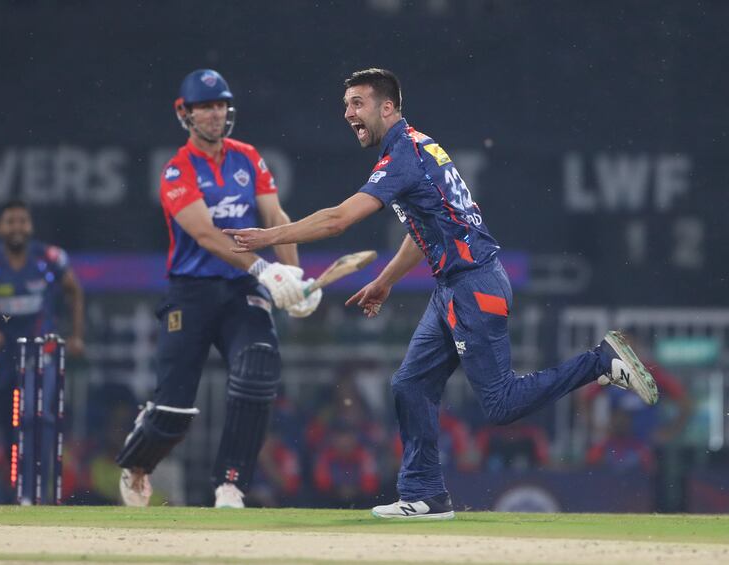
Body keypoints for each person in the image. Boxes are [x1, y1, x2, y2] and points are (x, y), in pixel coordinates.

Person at [225, 68, 659, 520]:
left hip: (473, 285)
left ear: (387, 107)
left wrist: (268, 236)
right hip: (456, 285)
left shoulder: (401, 158)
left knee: (501, 403)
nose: (348, 112)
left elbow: (338, 219)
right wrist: (387, 279)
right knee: (410, 385)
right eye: (346, 104)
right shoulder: (419, 146)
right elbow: (424, 230)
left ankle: (599, 360)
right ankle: (426, 496)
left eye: (358, 103)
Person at [115, 69, 321, 508]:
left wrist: (296, 279)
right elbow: (206, 235)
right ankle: (137, 462)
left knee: (259, 369)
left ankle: (230, 483)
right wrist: (268, 271)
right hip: (190, 292)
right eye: (205, 106)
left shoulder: (248, 157)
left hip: (240, 290)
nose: (215, 114)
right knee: (173, 411)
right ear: (184, 113)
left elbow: (277, 219)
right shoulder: (176, 171)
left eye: (220, 104)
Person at [0, 199, 85, 495]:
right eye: (10, 221)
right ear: (0, 228)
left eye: (22, 221)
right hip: (2, 357)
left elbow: (74, 290)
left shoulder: (50, 258)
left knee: (39, 415)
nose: (17, 227)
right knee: (10, 424)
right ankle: (17, 489)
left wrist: (76, 335)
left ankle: (41, 487)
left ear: (31, 226)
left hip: (42, 353)